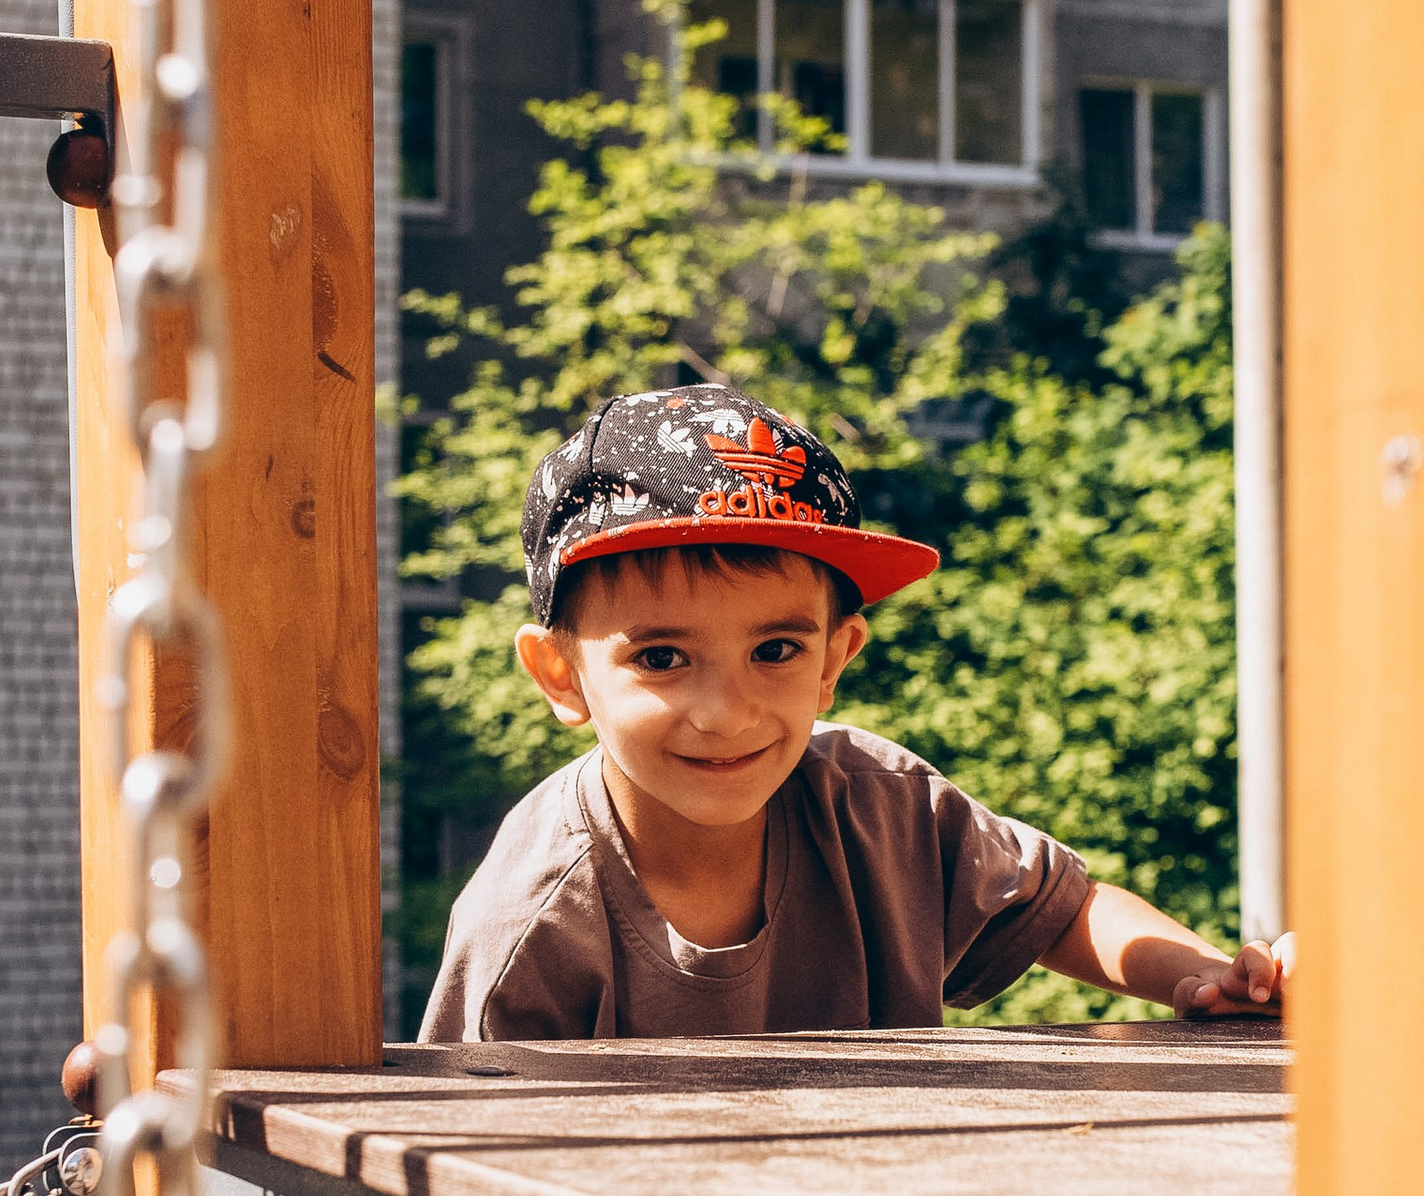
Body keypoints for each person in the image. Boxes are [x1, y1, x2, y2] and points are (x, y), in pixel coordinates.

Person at [419, 386, 1286, 1044]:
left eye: (775, 650)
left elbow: (1064, 911)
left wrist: (1206, 976)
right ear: (562, 675)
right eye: (661, 659)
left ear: (834, 659)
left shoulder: (883, 807)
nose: (726, 713)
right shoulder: (531, 921)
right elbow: (459, 1154)